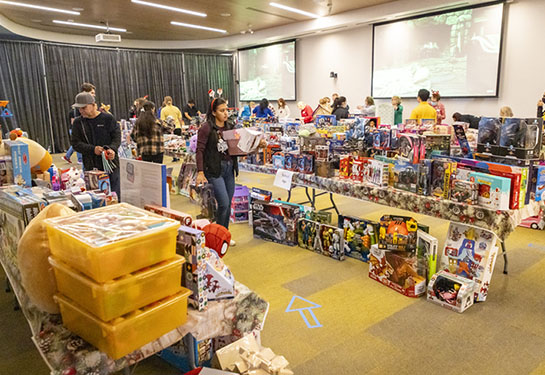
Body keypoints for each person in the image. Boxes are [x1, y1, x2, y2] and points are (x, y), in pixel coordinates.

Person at [194, 98, 238, 243]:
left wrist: (256, 145)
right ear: (213, 112)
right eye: (222, 110)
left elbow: (237, 148)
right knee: (224, 203)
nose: (226, 113)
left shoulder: (230, 126)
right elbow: (199, 150)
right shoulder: (206, 128)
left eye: (227, 110)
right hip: (214, 170)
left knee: (227, 203)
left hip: (229, 168)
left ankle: (224, 234)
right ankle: (218, 236)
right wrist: (200, 171)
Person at [71, 92, 121, 198]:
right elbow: (75, 143)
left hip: (110, 165)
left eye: (84, 107)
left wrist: (112, 149)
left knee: (114, 196)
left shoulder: (108, 119)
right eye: (79, 108)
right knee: (95, 197)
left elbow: (116, 137)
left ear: (94, 105)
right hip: (90, 167)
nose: (81, 111)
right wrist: (92, 149)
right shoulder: (78, 123)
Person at [63, 83, 96, 164]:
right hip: (76, 130)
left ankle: (68, 156)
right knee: (77, 144)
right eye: (92, 93)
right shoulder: (78, 118)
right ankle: (78, 159)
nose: (94, 95)